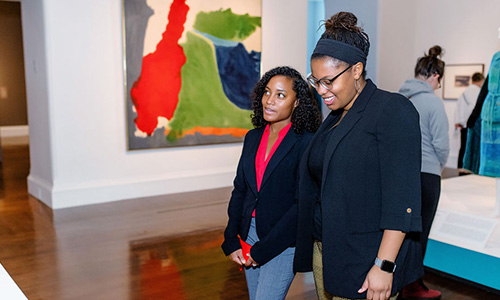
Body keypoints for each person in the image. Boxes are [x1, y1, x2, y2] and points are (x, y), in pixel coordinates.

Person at [294, 12, 423, 300]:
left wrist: (384, 265)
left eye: (328, 81)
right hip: (325, 250)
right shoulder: (336, 117)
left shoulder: (391, 110)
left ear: (356, 70)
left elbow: (402, 198)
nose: (321, 91)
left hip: (366, 259)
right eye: (316, 81)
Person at [221, 66, 321, 300]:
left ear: (297, 103)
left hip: (282, 242)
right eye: (267, 92)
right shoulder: (252, 137)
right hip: (249, 234)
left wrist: (263, 250)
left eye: (280, 95)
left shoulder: (306, 143)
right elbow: (241, 189)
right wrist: (231, 238)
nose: (270, 101)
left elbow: (301, 205)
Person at [398, 45, 450, 300]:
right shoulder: (432, 102)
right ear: (436, 77)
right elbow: (441, 145)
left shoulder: (400, 98)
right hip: (427, 174)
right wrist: (437, 168)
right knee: (421, 232)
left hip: (402, 174)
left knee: (402, 232)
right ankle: (414, 285)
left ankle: (402, 280)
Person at [454, 72, 484, 174]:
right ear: (481, 81)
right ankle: (470, 170)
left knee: (463, 148)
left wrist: (458, 121)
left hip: (463, 125)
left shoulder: (465, 92)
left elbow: (458, 107)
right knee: (471, 149)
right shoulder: (478, 92)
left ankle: (460, 168)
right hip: (473, 125)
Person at [478, 50, 500, 177]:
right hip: (489, 115)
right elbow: (485, 88)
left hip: (490, 112)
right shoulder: (496, 57)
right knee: (488, 166)